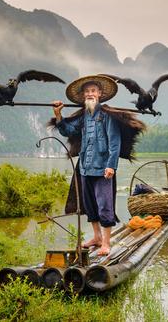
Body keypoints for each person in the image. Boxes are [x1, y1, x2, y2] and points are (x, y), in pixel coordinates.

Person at [50, 75, 145, 256]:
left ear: (100, 94)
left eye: (93, 91)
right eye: (87, 92)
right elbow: (68, 130)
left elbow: (114, 143)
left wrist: (111, 166)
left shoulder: (107, 116)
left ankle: (106, 244)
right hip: (85, 167)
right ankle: (96, 237)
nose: (90, 94)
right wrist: (58, 115)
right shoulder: (84, 116)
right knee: (90, 205)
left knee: (104, 205)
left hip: (103, 169)